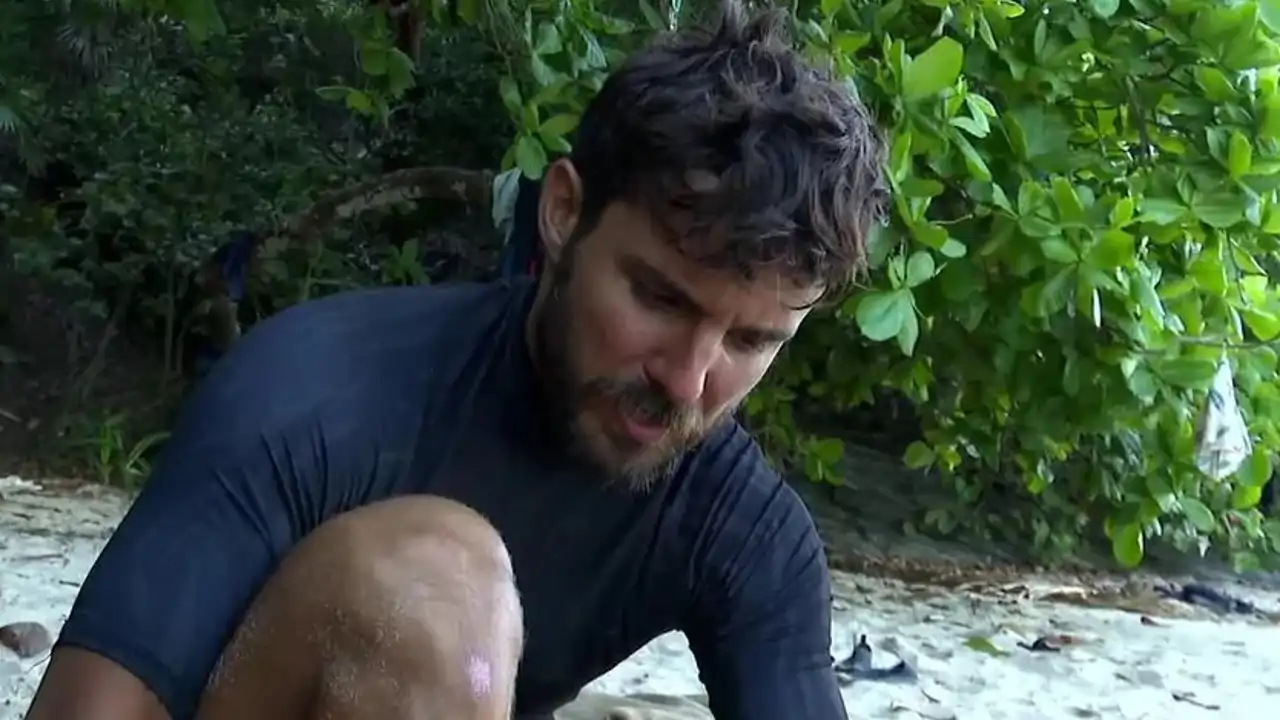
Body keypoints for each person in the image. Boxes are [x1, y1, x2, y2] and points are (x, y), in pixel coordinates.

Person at [23, 1, 886, 719]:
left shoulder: (746, 535)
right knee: (438, 583)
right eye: (659, 299)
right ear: (562, 213)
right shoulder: (317, 393)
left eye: (749, 341)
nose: (688, 380)